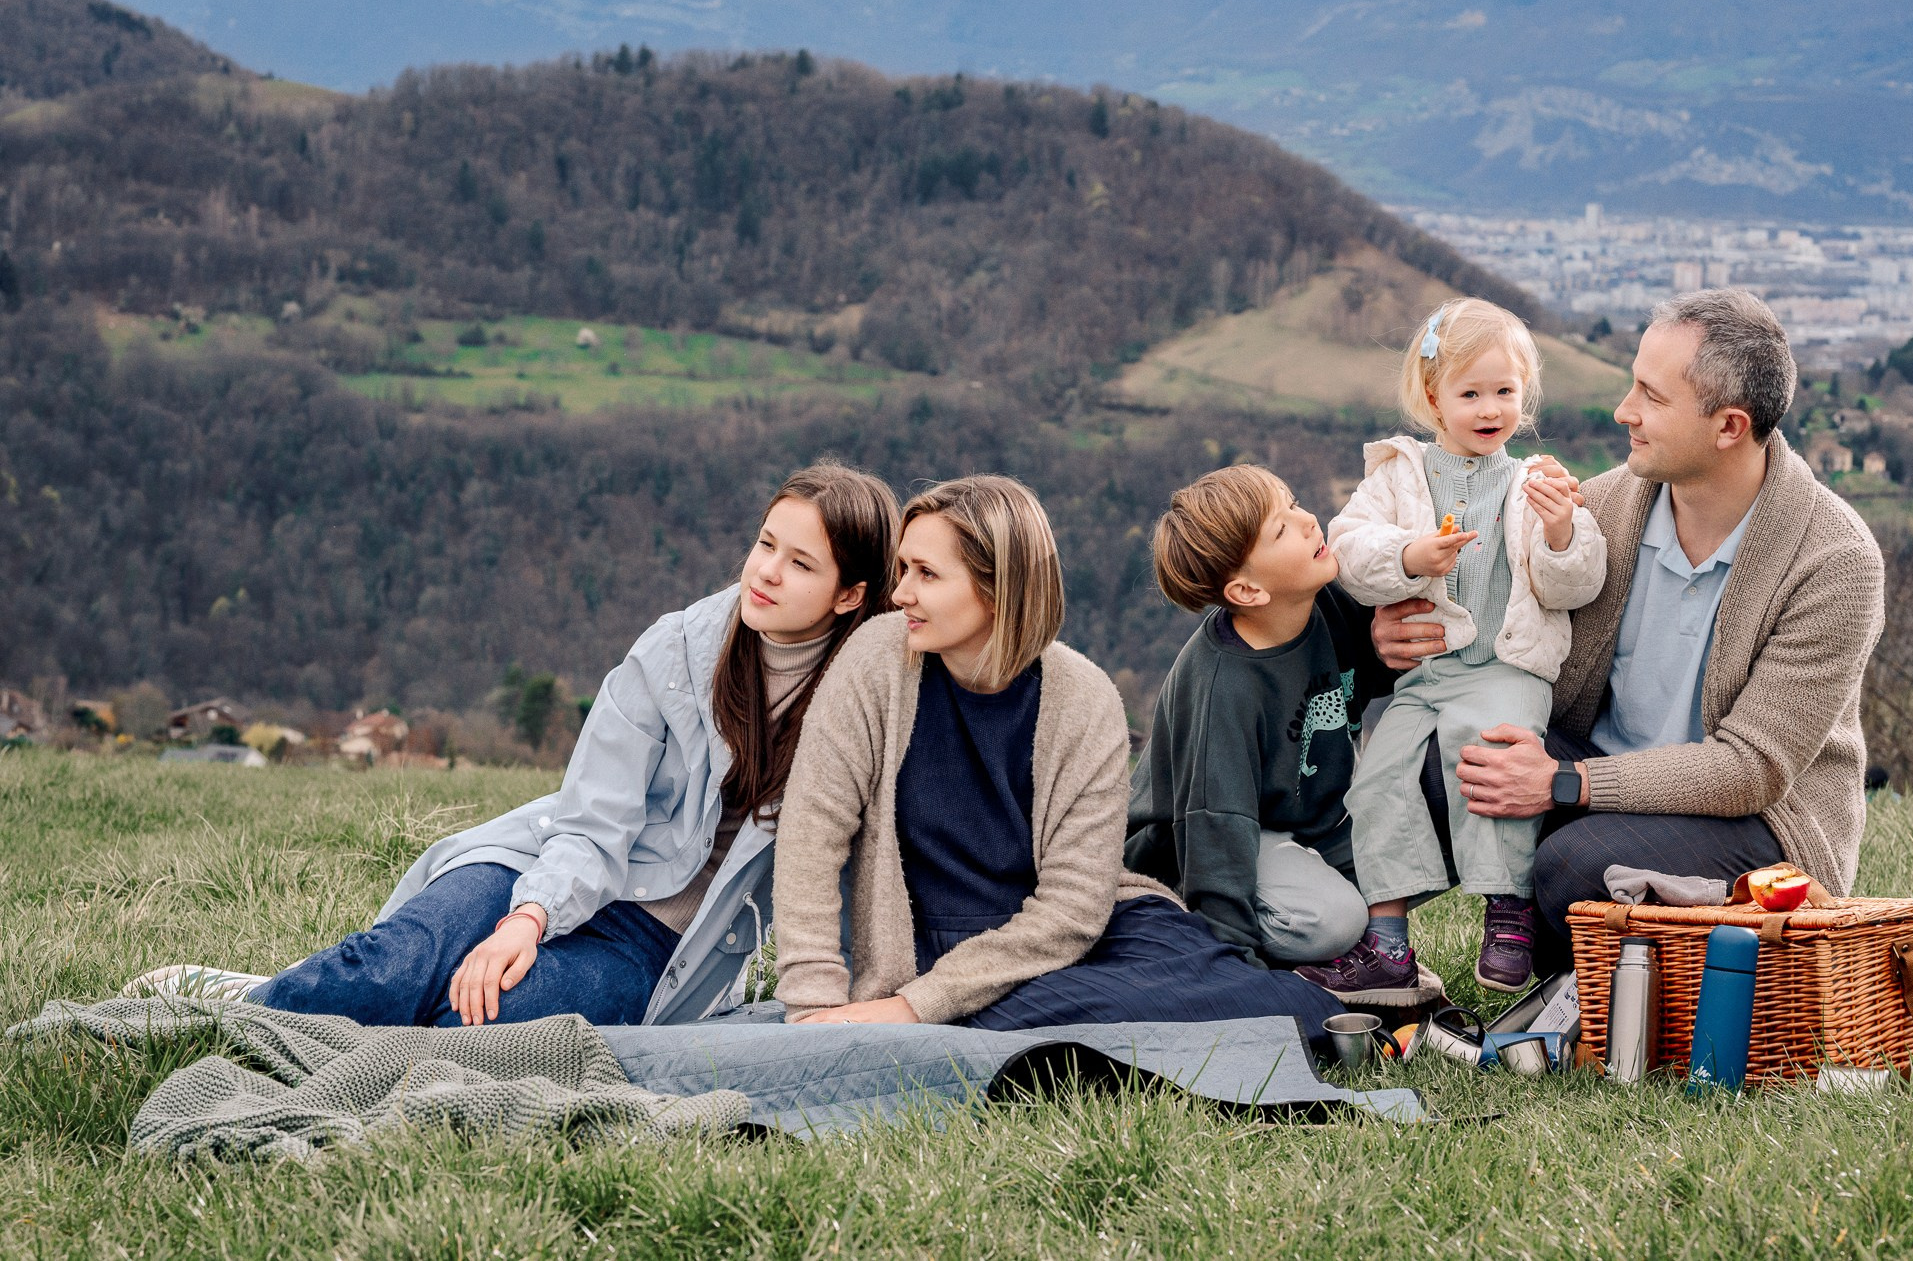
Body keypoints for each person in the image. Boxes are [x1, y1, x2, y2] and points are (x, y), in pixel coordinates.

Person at [126, 463, 899, 1027]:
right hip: (544, 867)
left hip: (653, 943)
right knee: (397, 963)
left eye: (801, 563)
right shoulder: (677, 651)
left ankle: (307, 999)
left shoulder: (863, 701)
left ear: (851, 593)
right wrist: (527, 917)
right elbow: (593, 824)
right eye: (766, 543)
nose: (766, 572)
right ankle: (243, 1008)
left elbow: (855, 875)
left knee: (482, 1025)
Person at [1371, 289, 1885, 974]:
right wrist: (1393, 634)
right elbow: (1494, 613)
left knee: (1568, 867)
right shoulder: (1604, 507)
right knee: (1447, 746)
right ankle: (1365, 941)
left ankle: (1581, 978)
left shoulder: (1835, 561)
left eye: (1651, 395)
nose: (1624, 411)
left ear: (1729, 426)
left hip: (1757, 824)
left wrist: (1562, 783)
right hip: (1596, 770)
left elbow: (1750, 769)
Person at [773, 475, 1342, 1030]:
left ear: (998, 589)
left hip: (1063, 938)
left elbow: (1073, 911)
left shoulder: (1084, 697)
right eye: (904, 569)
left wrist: (914, 1009)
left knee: (1193, 964)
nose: (900, 594)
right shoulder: (876, 660)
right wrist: (813, 1007)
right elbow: (811, 833)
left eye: (926, 573)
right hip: (931, 946)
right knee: (1102, 1010)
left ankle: (1350, 1017)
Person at [1309, 298, 1605, 997]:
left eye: (1504, 391)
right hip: (1429, 674)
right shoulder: (1399, 474)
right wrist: (1410, 554)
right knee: (1377, 776)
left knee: (1489, 746)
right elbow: (1349, 548)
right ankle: (1387, 941)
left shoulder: (1534, 482)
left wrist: (1562, 532)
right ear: (1433, 399)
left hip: (1507, 669)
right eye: (1470, 392)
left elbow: (1575, 582)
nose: (1489, 407)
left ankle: (1507, 908)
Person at [1123, 464, 1392, 977]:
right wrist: (1234, 967)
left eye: (1293, 504)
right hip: (1202, 852)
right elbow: (1215, 827)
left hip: (1314, 827)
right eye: (1282, 528)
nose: (1309, 520)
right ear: (1247, 592)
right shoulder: (1223, 684)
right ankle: (1199, 928)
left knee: (1460, 799)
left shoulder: (1330, 603)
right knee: (1334, 921)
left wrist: (1400, 646)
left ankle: (1372, 949)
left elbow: (1387, 674)